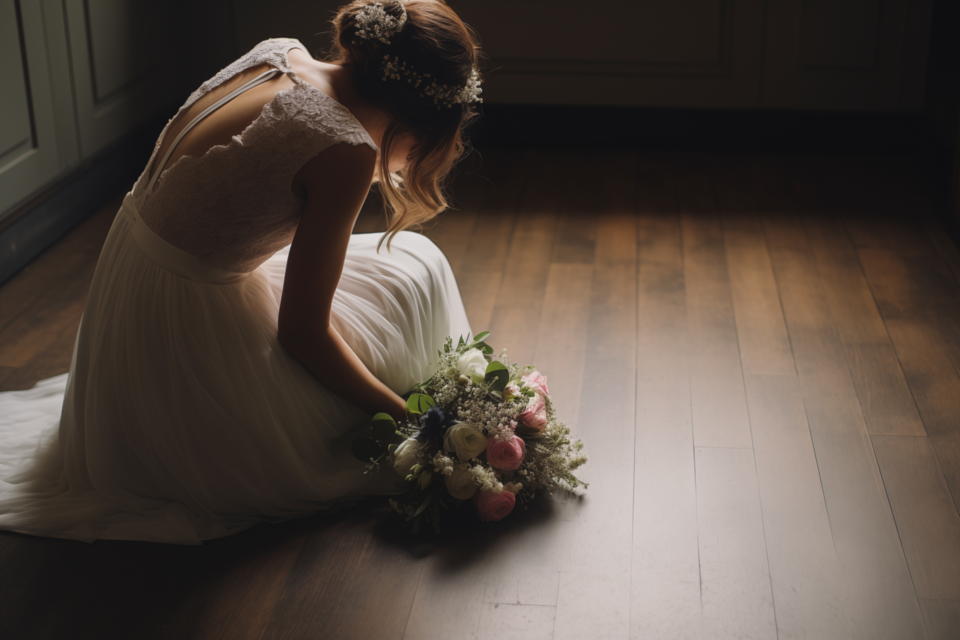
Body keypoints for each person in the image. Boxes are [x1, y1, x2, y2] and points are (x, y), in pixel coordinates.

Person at [0, 0, 481, 544]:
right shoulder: (345, 148)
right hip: (179, 324)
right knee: (407, 287)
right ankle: (422, 399)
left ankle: (425, 391)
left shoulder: (280, 53)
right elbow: (302, 333)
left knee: (413, 263)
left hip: (135, 275)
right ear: (419, 124)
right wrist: (413, 420)